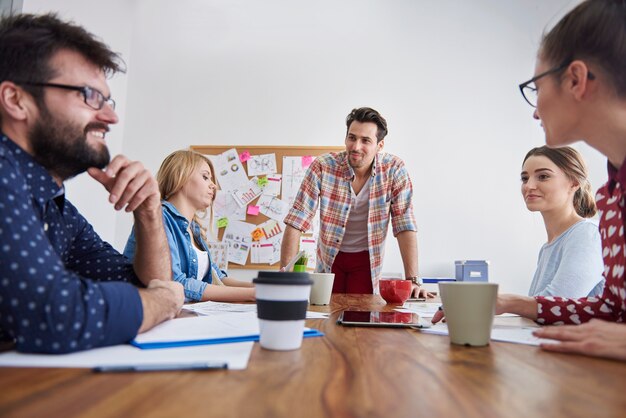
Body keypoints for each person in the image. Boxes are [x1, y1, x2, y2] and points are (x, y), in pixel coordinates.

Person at [434, 0, 626, 361]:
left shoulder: (591, 224)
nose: (535, 110)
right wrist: (508, 301)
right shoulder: (613, 194)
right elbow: (611, 312)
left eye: (535, 88)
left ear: (576, 79)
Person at [0, 14, 184, 354]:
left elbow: (143, 282)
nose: (111, 117)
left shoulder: (56, 207)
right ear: (16, 100)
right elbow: (56, 315)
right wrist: (161, 301)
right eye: (89, 96)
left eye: (107, 100)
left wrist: (149, 212)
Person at [280, 107, 430, 298]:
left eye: (365, 140)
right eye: (352, 138)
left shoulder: (394, 170)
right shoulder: (323, 166)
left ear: (380, 145)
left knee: (361, 316)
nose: (356, 146)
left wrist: (413, 280)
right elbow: (297, 219)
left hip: (366, 260)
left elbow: (404, 223)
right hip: (330, 259)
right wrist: (285, 275)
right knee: (327, 316)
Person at [125, 150, 255, 302]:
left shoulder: (195, 230)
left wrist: (260, 287)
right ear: (180, 177)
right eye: (205, 177)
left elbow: (217, 277)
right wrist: (251, 295)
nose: (213, 185)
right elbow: (175, 283)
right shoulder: (159, 218)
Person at [521, 146, 604, 297]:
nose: (529, 186)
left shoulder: (587, 234)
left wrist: (505, 303)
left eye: (543, 176)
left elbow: (557, 302)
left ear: (574, 182)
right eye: (525, 178)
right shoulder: (547, 249)